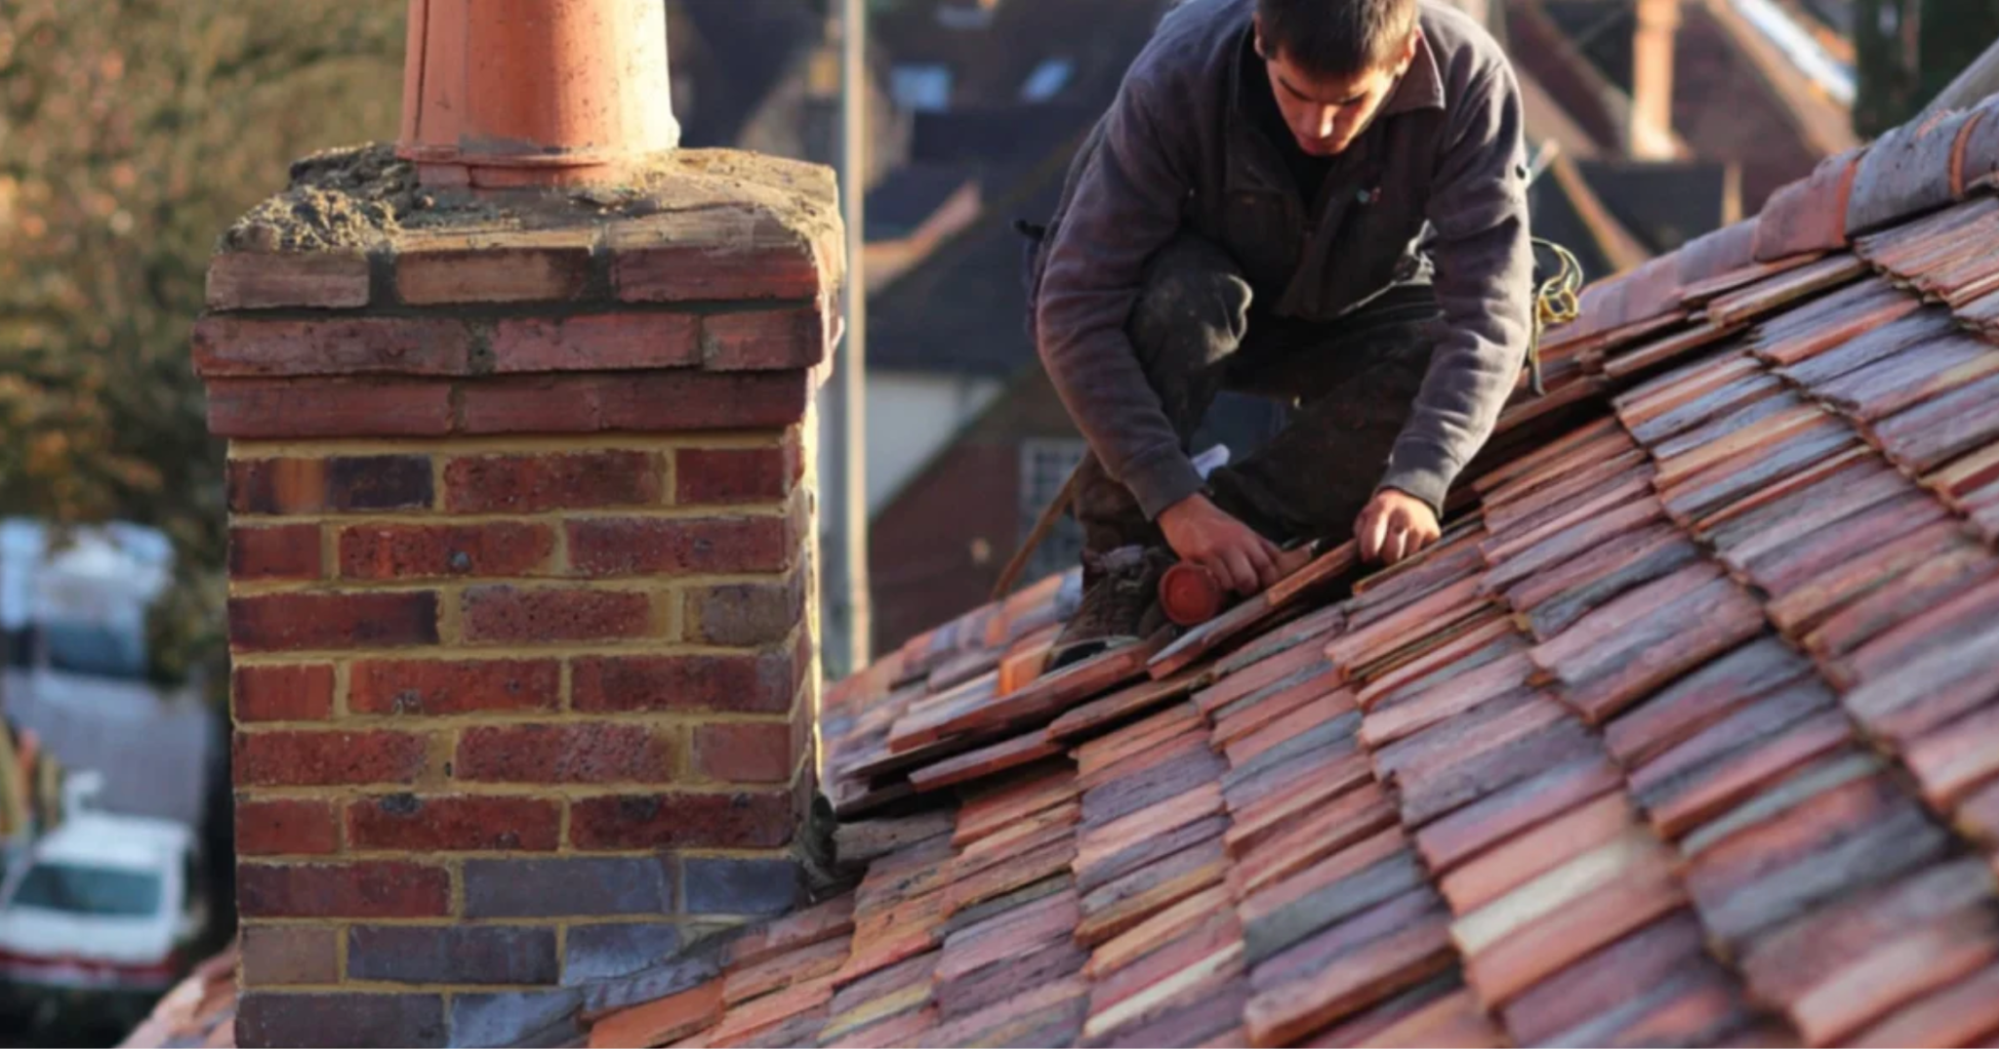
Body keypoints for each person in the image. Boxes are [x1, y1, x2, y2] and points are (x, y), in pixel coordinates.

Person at [1025, 0, 1535, 668]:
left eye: (1350, 104)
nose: (1316, 126)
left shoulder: (1469, 79)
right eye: (1294, 94)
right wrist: (1170, 499)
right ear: (1262, 38)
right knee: (1189, 297)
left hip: (1358, 303)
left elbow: (1488, 314)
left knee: (1504, 367)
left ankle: (1245, 532)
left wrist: (1417, 478)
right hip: (1193, 301)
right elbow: (1074, 307)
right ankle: (1124, 559)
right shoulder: (1178, 75)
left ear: (1404, 57)